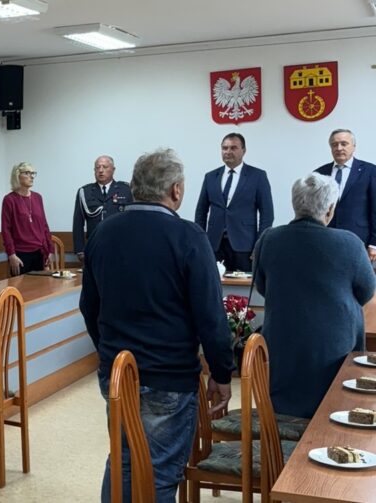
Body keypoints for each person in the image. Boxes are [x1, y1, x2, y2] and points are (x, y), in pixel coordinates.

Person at [80, 148, 234, 502]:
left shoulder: (102, 233)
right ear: (176, 190)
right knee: (160, 473)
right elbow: (210, 317)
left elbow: (89, 306)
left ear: (135, 187)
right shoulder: (189, 236)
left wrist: (109, 353)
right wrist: (222, 373)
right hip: (169, 376)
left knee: (122, 463)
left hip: (117, 374)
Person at [254, 173, 375, 418]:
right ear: (330, 209)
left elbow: (262, 287)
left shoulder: (269, 239)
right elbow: (367, 290)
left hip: (282, 349)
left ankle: (279, 439)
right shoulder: (350, 243)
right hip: (334, 352)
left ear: (294, 204)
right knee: (336, 409)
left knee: (282, 411)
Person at [194, 133, 274, 272]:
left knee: (244, 283)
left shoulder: (257, 176)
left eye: (233, 148)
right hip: (214, 245)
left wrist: (260, 244)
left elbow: (267, 214)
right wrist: (200, 241)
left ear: (244, 150)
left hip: (245, 246)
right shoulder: (210, 177)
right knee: (213, 282)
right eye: (224, 148)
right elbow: (201, 211)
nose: (228, 152)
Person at [314, 129, 376, 262]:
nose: (339, 148)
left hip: (359, 241)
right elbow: (314, 209)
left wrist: (374, 243)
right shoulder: (319, 173)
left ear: (354, 146)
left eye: (344, 143)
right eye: (334, 144)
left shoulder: (370, 171)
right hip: (326, 240)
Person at [72, 155, 132, 261]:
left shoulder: (126, 190)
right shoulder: (85, 192)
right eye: (97, 167)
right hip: (95, 246)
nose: (100, 170)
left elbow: (133, 219)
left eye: (105, 167)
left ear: (113, 169)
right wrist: (80, 250)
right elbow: (78, 223)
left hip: (121, 246)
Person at [1, 162, 52, 276]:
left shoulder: (38, 197)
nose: (32, 176)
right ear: (17, 175)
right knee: (22, 287)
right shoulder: (9, 200)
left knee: (41, 286)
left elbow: (44, 225)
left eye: (33, 173)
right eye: (27, 173)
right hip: (20, 255)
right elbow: (6, 230)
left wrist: (50, 250)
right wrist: (11, 254)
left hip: (39, 252)